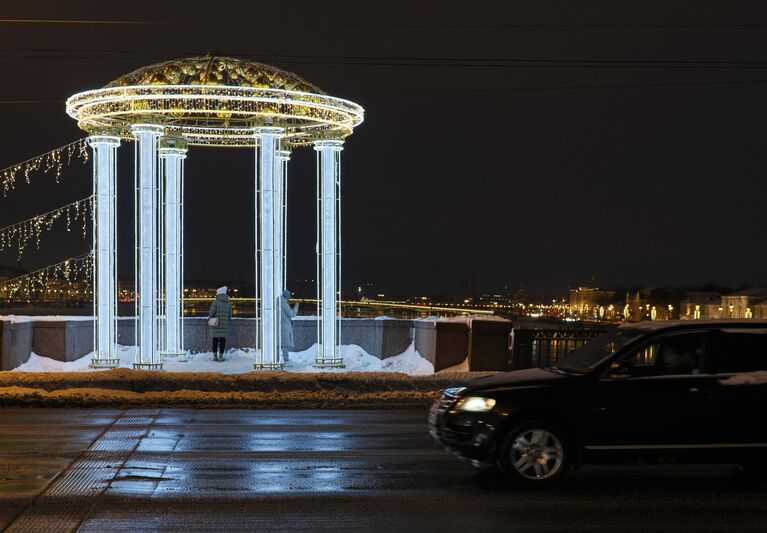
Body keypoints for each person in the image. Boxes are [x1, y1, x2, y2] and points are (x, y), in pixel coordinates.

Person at [208, 286, 232, 362]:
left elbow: (211, 313)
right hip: (224, 324)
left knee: (215, 339)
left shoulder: (215, 302)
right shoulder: (228, 303)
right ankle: (221, 356)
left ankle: (215, 356)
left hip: (215, 323)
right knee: (222, 340)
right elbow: (230, 315)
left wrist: (210, 318)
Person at [279, 289, 299, 363]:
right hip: (285, 326)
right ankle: (286, 360)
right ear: (286, 296)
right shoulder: (284, 304)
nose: (290, 298)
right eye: (289, 296)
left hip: (280, 326)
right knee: (285, 345)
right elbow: (292, 314)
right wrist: (296, 307)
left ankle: (278, 359)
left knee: (280, 344)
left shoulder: (278, 303)